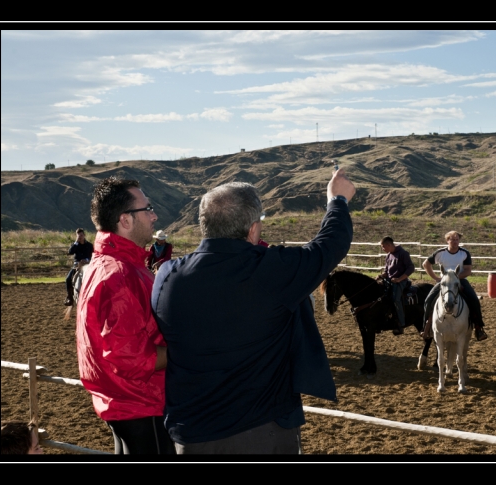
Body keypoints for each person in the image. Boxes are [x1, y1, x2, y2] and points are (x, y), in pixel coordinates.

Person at [151, 168, 355, 454]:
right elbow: (328, 246)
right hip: (260, 430)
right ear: (252, 229)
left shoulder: (167, 276)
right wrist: (337, 201)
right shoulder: (267, 270)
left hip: (192, 434)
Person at [75, 176, 175, 455]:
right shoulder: (120, 274)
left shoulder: (108, 265)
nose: (154, 216)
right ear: (126, 220)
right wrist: (184, 348)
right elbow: (131, 357)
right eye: (148, 208)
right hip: (142, 403)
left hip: (123, 402)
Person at [421, 231, 487, 341]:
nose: (455, 242)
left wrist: (456, 278)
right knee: (428, 300)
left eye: (457, 239)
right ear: (447, 240)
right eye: (452, 239)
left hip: (460, 280)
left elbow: (468, 270)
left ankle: (478, 327)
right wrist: (436, 278)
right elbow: (425, 264)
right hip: (444, 282)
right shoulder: (440, 253)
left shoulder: (464, 253)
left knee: (474, 299)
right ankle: (425, 328)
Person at [377, 236, 415, 335]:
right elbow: (386, 271)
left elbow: (410, 268)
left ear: (389, 245)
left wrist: (399, 279)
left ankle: (401, 323)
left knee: (396, 299)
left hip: (401, 281)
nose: (383, 249)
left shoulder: (403, 253)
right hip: (390, 280)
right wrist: (382, 275)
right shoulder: (388, 255)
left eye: (383, 247)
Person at [64, 228, 93, 306]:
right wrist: (76, 242)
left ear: (84, 235)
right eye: (78, 235)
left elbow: (94, 255)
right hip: (77, 266)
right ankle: (70, 297)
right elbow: (70, 252)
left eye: (81, 235)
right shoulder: (75, 245)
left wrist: (88, 260)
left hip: (88, 265)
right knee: (68, 279)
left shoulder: (90, 245)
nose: (80, 237)